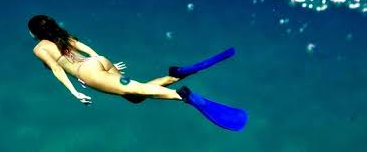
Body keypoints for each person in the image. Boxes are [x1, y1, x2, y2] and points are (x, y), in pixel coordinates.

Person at [27, 14, 248, 131]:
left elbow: (57, 69)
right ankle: (175, 74)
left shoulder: (40, 48)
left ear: (34, 32)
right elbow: (85, 49)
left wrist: (74, 91)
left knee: (141, 90)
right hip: (97, 64)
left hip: (89, 74)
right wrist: (101, 62)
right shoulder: (60, 35)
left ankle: (184, 96)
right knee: (134, 96)